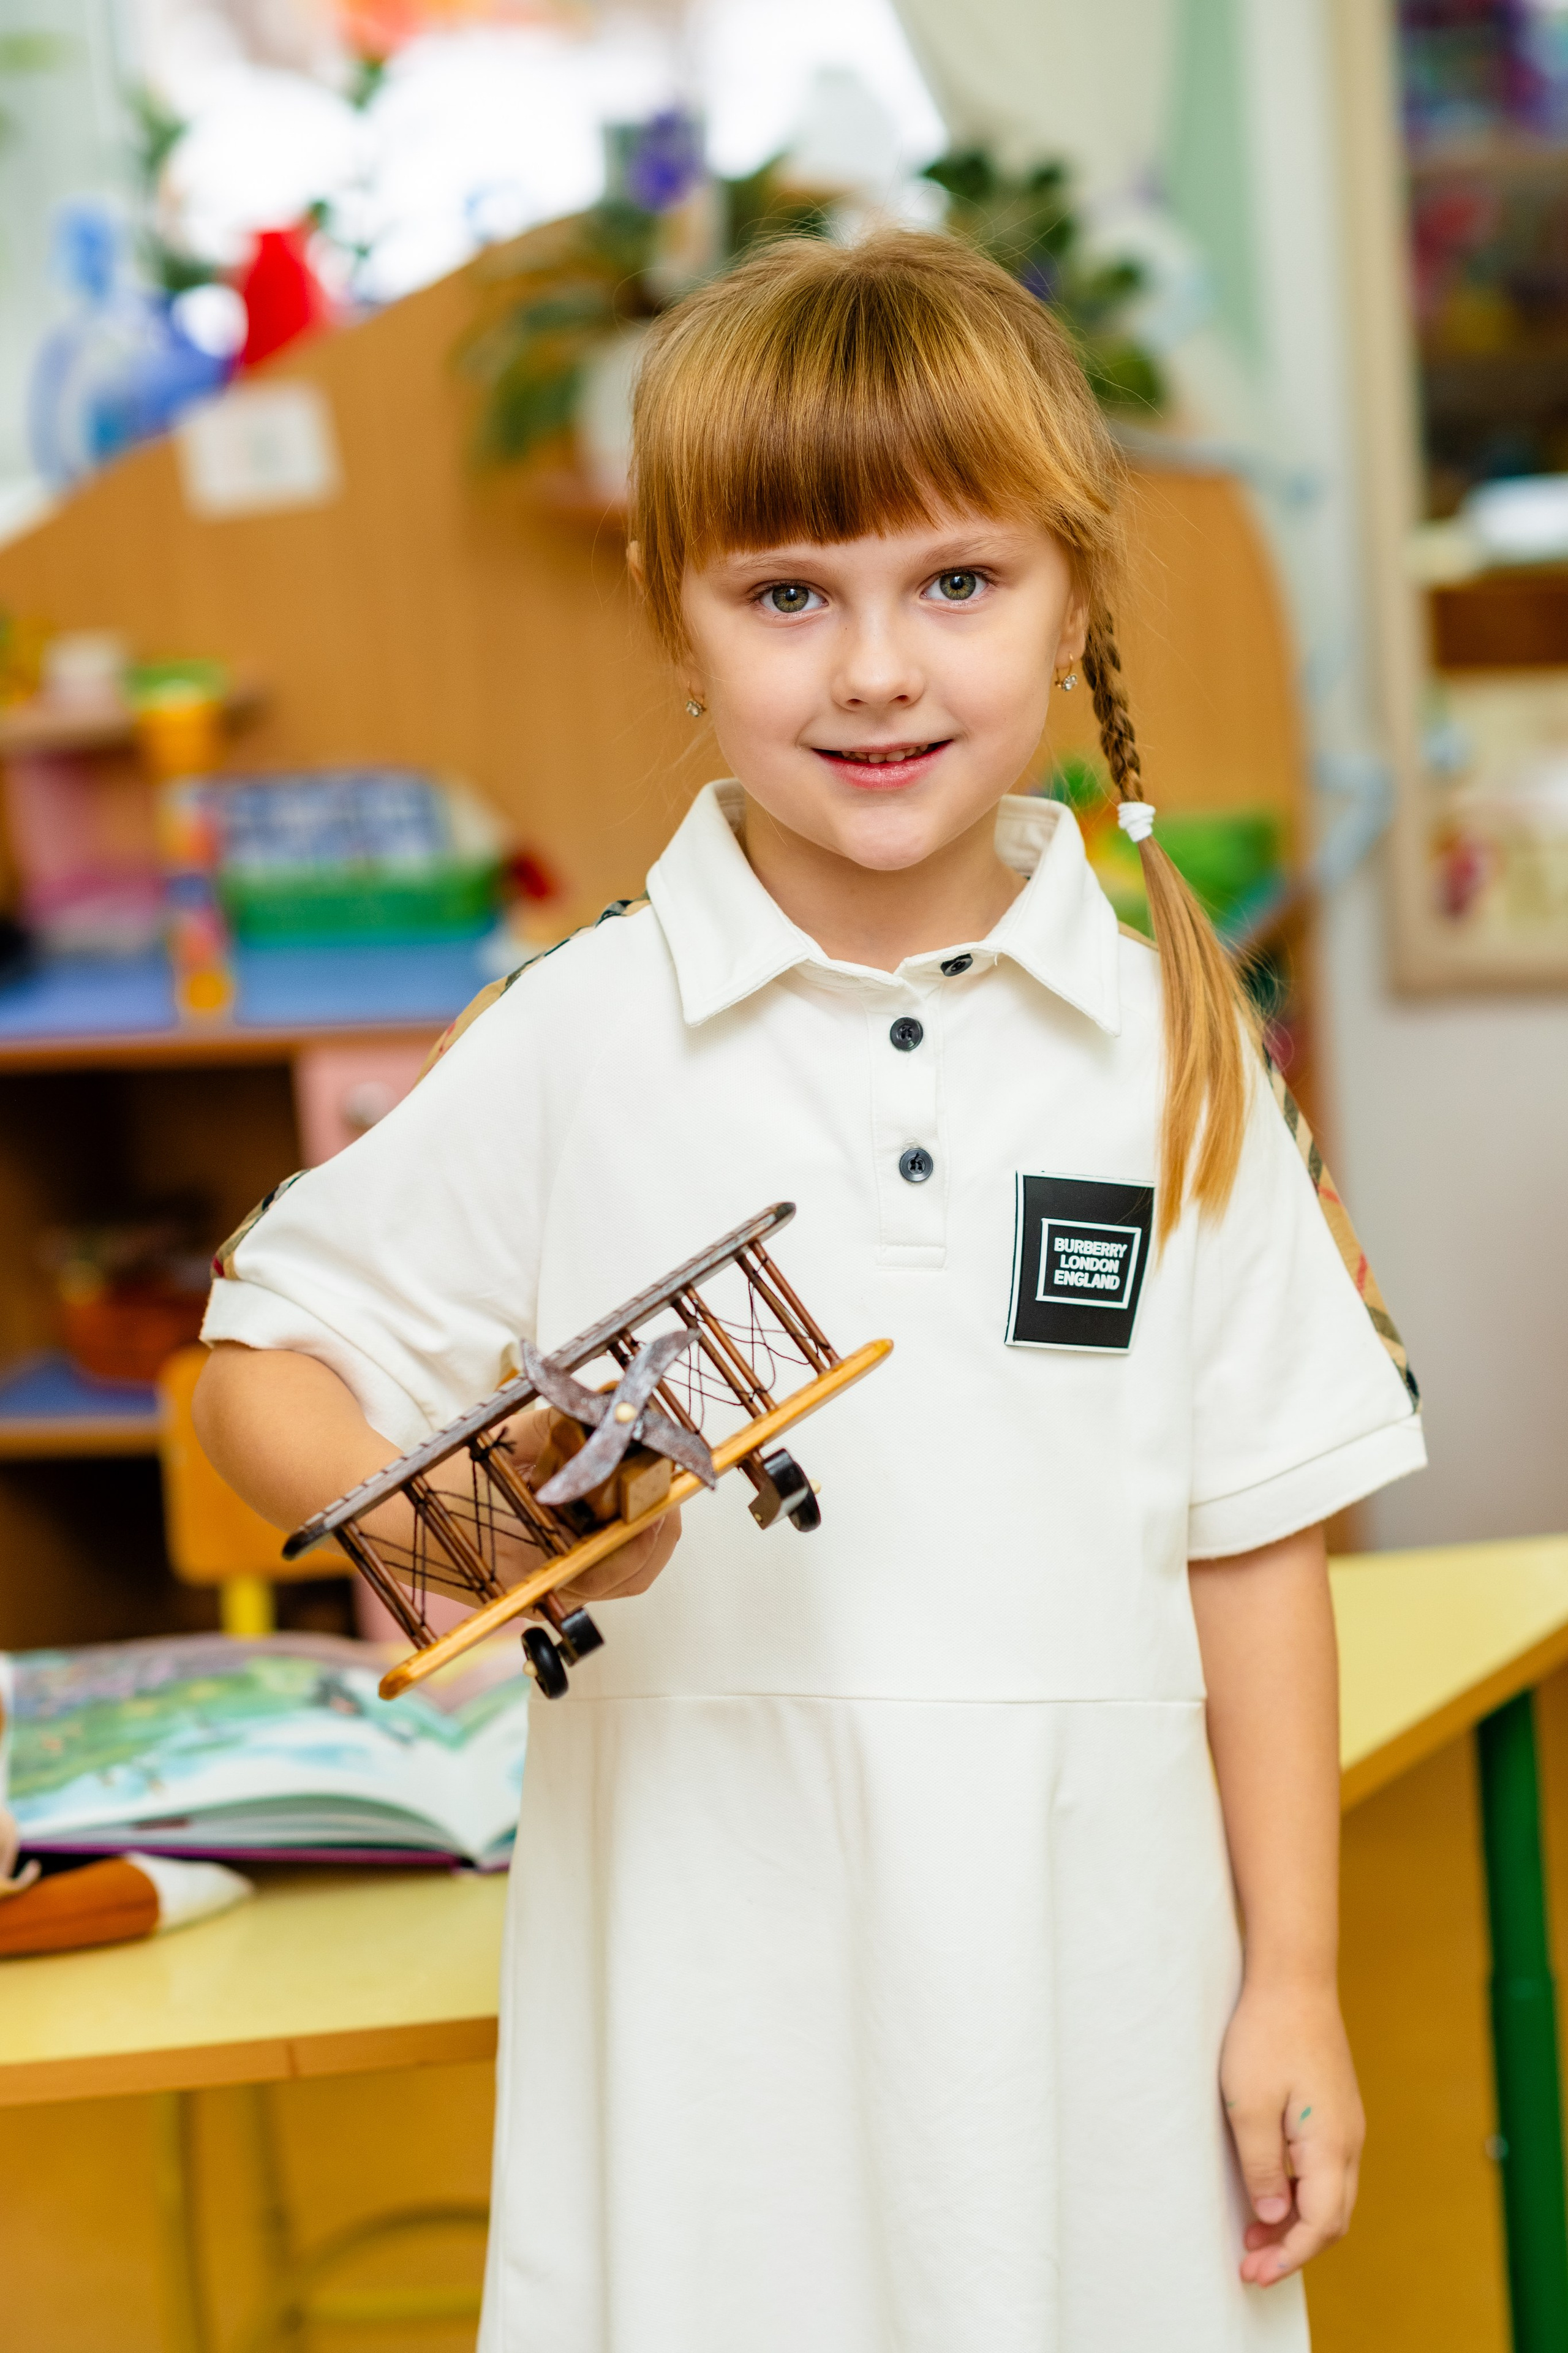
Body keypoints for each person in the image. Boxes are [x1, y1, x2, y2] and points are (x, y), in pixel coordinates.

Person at [194, 230, 1425, 2351]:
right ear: (676, 619)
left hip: (1101, 1969)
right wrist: (479, 1533)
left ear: (1071, 600)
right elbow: (260, 1353)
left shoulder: (1181, 1040)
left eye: (958, 582)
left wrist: (1290, 1975)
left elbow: (1258, 1541)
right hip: (709, 1981)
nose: (875, 669)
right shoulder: (586, 1030)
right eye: (789, 595)